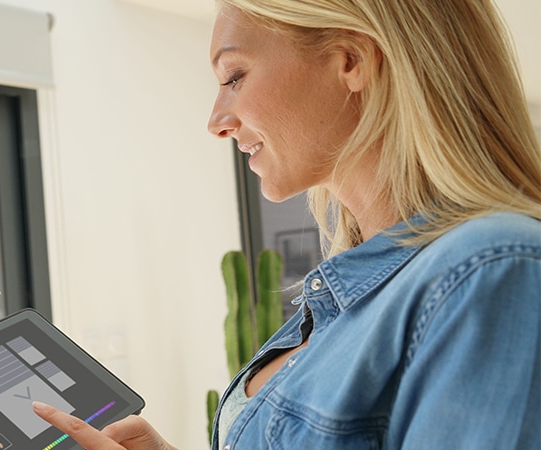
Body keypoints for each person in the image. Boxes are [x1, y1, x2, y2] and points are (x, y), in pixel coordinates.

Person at [33, 0, 541, 448]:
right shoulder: (347, 294)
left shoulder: (492, 270)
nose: (216, 121)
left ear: (351, 59)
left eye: (234, 77)